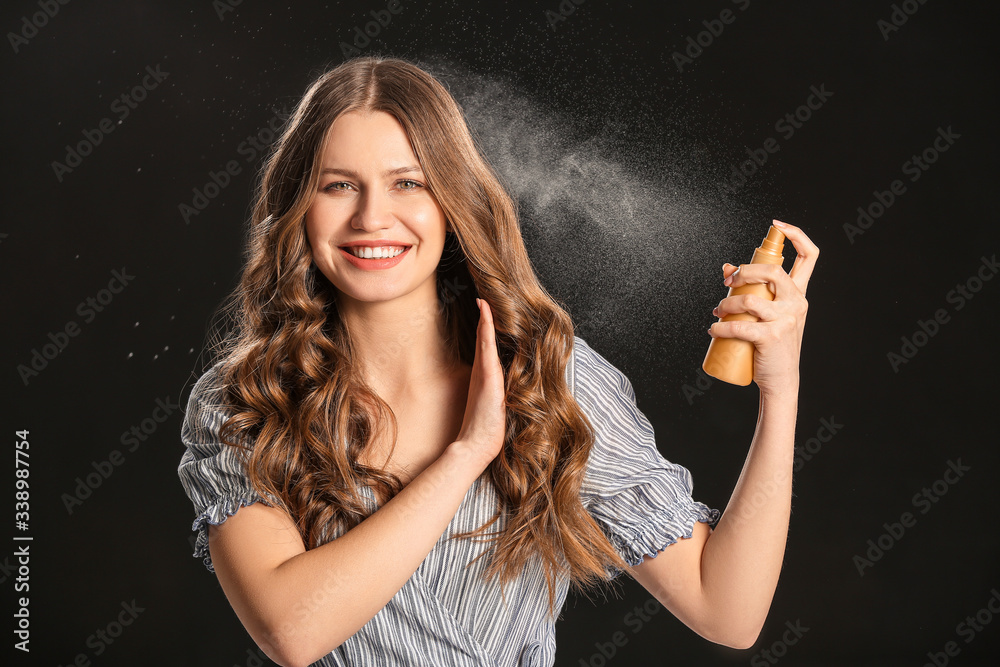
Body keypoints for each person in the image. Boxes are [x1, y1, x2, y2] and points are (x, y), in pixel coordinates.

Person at [177, 55, 818, 667]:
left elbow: (727, 611)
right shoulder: (245, 401)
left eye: (409, 184)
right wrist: (466, 454)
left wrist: (780, 388)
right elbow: (292, 629)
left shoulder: (546, 379)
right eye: (339, 186)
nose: (373, 217)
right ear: (299, 206)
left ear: (451, 204)